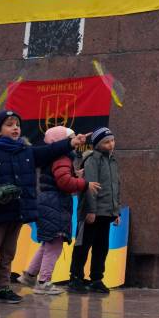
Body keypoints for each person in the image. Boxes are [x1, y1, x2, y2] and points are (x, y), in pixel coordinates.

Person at [0, 110, 78, 305]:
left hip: (18, 210)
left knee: (8, 252)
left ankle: (2, 288)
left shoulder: (27, 151)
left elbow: (49, 151)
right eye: (9, 124)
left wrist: (70, 142)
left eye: (17, 124)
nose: (15, 128)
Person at [28, 126, 99, 296]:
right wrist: (84, 184)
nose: (74, 141)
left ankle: (29, 275)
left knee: (48, 243)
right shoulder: (62, 157)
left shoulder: (58, 158)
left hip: (50, 202)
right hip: (56, 204)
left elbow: (60, 178)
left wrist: (75, 174)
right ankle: (43, 282)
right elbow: (64, 183)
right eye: (71, 138)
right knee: (54, 245)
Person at [68, 126, 121, 294]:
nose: (111, 144)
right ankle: (75, 277)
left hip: (106, 213)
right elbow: (90, 186)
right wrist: (91, 210)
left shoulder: (112, 161)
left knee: (101, 247)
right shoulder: (92, 159)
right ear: (97, 144)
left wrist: (116, 212)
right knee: (83, 245)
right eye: (106, 142)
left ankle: (96, 278)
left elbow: (116, 187)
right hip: (91, 212)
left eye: (112, 141)